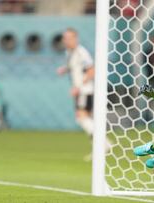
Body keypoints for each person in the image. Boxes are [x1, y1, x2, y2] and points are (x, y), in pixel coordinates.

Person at [57, 28, 110, 159]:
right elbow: (75, 68)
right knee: (85, 119)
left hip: (85, 90)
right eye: (65, 38)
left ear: (76, 38)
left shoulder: (81, 52)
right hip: (82, 90)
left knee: (82, 118)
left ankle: (103, 145)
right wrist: (65, 69)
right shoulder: (69, 53)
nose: (66, 41)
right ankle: (101, 146)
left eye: (69, 38)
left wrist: (78, 87)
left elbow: (91, 70)